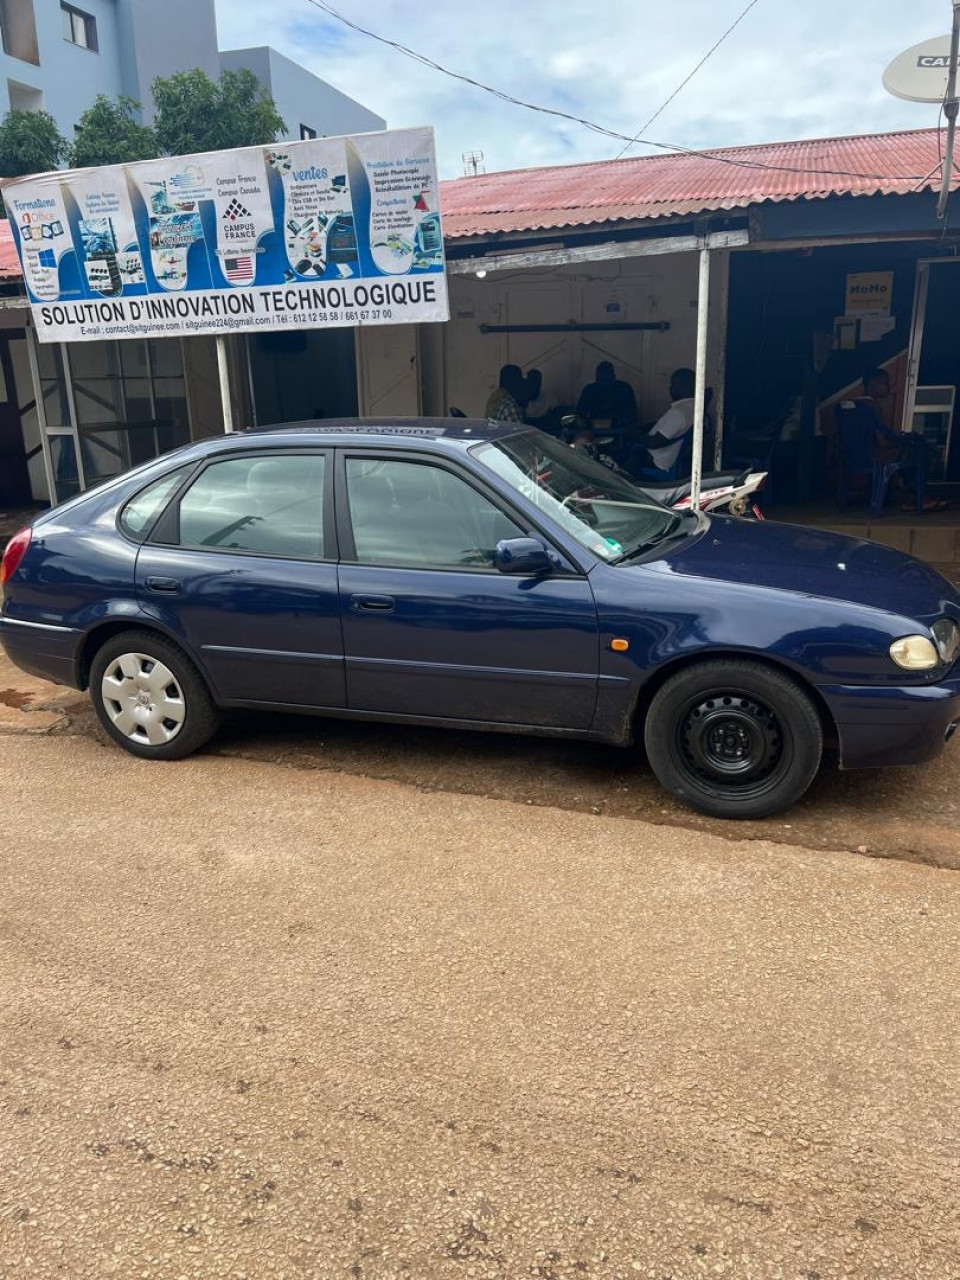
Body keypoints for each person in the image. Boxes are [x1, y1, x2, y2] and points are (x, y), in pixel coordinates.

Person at [631, 368, 697, 475]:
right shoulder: (693, 407)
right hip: (669, 455)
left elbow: (654, 443)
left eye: (673, 384)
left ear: (685, 386)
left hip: (656, 459)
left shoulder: (678, 412)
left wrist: (634, 433)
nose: (670, 388)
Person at [576, 361, 638, 430]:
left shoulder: (624, 389)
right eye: (602, 379)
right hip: (594, 430)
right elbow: (580, 414)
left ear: (613, 376)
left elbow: (631, 414)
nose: (605, 383)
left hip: (619, 428)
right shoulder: (589, 390)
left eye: (607, 379)